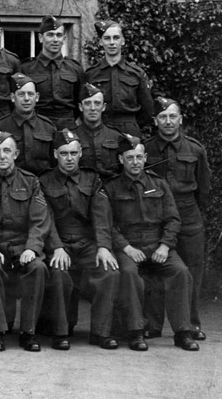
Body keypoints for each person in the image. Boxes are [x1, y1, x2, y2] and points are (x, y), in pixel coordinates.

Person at [105, 134, 199, 351]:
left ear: (145, 157)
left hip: (158, 245)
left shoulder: (159, 183)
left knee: (181, 272)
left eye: (139, 157)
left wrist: (165, 246)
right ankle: (136, 332)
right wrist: (126, 247)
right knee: (129, 274)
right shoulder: (111, 188)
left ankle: (183, 332)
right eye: (130, 158)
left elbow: (173, 219)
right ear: (121, 160)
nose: (135, 162)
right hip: (128, 246)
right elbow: (107, 225)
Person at [38, 128, 120, 350]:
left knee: (109, 272)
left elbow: (101, 216)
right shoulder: (44, 181)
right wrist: (56, 247)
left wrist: (104, 247)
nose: (69, 158)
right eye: (64, 153)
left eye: (73, 153)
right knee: (59, 273)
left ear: (80, 154)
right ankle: (61, 332)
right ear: (56, 155)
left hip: (87, 244)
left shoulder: (92, 179)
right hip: (58, 242)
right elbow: (46, 219)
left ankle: (101, 332)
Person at [0, 130, 51, 352]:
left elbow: (39, 221)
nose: (2, 155)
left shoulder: (31, 181)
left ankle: (28, 332)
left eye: (7, 150)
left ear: (16, 154)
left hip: (23, 243)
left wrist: (32, 248)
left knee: (37, 268)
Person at [144, 97, 211, 341]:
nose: (168, 121)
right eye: (163, 117)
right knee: (154, 269)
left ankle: (191, 324)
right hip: (156, 217)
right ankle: (152, 323)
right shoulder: (146, 149)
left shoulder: (195, 149)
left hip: (188, 215)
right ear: (155, 121)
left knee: (192, 272)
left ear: (181, 119)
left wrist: (194, 213)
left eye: (173, 116)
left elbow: (204, 188)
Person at [84, 20, 154, 137]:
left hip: (129, 129)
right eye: (107, 38)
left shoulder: (136, 73)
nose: (112, 42)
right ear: (101, 42)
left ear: (123, 41)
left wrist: (132, 124)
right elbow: (84, 105)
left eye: (116, 38)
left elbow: (147, 109)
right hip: (101, 128)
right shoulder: (91, 74)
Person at [21, 15, 83, 129]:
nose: (55, 40)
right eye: (50, 35)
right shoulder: (26, 69)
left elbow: (81, 102)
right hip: (36, 124)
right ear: (40, 38)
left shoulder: (75, 69)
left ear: (64, 39)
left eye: (59, 35)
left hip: (68, 125)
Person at [0, 72, 56, 175]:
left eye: (30, 94)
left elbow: (53, 162)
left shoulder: (48, 127)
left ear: (37, 97)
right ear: (12, 97)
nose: (26, 99)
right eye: (21, 94)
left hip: (42, 183)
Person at [76, 83, 123, 180]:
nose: (93, 108)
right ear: (81, 107)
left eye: (97, 103)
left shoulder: (116, 136)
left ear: (104, 107)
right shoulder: (73, 137)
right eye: (88, 103)